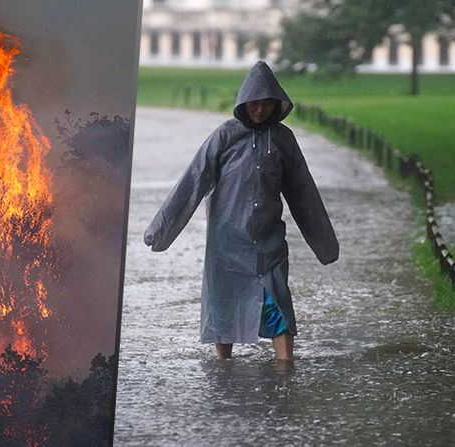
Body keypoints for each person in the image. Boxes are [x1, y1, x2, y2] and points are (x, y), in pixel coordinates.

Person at [143, 61, 339, 361]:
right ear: (244, 104)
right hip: (226, 242)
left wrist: (325, 246)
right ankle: (224, 367)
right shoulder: (225, 136)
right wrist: (161, 230)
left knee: (277, 301)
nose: (260, 111)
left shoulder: (284, 140)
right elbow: (193, 181)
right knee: (224, 303)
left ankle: (286, 368)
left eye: (266, 105)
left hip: (268, 240)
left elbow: (303, 192)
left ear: (276, 105)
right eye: (254, 105)